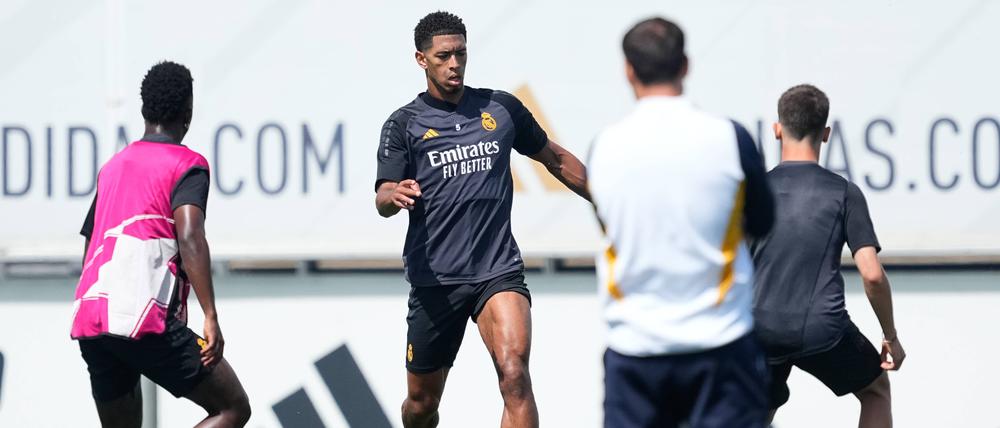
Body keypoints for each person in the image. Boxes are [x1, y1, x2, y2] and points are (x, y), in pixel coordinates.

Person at [374, 11, 589, 428]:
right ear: (422, 60)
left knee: (514, 376)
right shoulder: (404, 124)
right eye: (443, 57)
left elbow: (556, 159)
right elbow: (382, 194)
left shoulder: (500, 108)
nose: (455, 64)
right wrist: (393, 195)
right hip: (435, 281)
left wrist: (607, 201)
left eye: (461, 54)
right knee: (421, 406)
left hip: (497, 271)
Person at [588, 17, 774, 428]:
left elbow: (607, 222)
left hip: (634, 348)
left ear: (628, 70)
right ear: (686, 65)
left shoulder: (605, 147)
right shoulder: (730, 138)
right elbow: (763, 221)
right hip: (721, 344)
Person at [72, 61, 250, 428]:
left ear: (143, 110)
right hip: (143, 316)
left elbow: (91, 241)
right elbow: (189, 236)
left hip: (93, 316)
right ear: (188, 112)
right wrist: (210, 316)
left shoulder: (114, 167)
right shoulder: (187, 164)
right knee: (231, 407)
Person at [749, 84, 905, 427]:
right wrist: (890, 336)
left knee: (756, 413)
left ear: (777, 130)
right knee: (876, 389)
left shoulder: (751, 192)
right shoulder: (844, 193)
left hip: (759, 328)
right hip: (822, 329)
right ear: (827, 134)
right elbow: (872, 274)